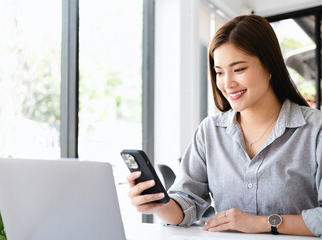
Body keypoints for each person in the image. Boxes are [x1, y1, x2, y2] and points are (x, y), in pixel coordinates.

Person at [126, 14, 322, 237]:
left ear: (270, 67)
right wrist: (157, 204)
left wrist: (263, 223)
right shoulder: (210, 132)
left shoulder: (315, 130)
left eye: (239, 69)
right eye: (219, 72)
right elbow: (186, 204)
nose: (227, 84)